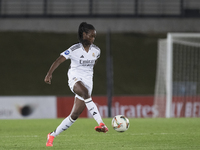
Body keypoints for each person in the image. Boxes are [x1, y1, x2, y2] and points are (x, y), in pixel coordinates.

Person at [44, 22, 108, 147]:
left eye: (94, 36)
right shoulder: (74, 49)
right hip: (74, 78)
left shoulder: (97, 51)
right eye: (91, 36)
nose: (93, 39)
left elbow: (94, 62)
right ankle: (101, 123)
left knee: (74, 115)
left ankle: (52, 135)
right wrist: (49, 74)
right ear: (84, 34)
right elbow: (59, 60)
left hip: (88, 81)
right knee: (85, 94)